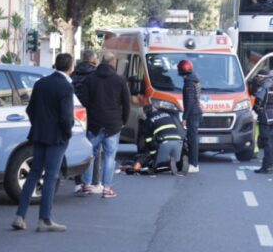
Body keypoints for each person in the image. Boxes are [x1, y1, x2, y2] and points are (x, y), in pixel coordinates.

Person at [12, 53, 75, 232]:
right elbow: (66, 117)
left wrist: (39, 126)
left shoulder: (41, 83)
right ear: (71, 67)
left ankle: (20, 216)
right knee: (50, 177)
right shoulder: (66, 86)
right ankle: (45, 219)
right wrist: (67, 132)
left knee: (34, 174)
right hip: (57, 137)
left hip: (39, 135)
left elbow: (30, 109)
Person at [81, 51, 130, 198]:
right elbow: (126, 104)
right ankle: (107, 188)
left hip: (94, 123)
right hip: (113, 124)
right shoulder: (120, 80)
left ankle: (87, 184)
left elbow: (84, 101)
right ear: (113, 63)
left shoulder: (90, 79)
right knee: (109, 156)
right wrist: (124, 121)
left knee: (90, 154)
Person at [138, 103, 184, 174]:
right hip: (178, 140)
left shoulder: (148, 121)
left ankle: (166, 164)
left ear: (146, 113)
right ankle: (179, 163)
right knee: (175, 158)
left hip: (165, 142)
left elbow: (149, 140)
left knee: (155, 166)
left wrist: (152, 154)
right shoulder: (166, 114)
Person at [254, 69, 273, 174]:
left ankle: (266, 167)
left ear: (263, 77)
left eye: (258, 77)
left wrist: (257, 109)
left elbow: (258, 101)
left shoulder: (264, 87)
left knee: (267, 143)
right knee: (272, 142)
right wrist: (271, 107)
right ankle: (270, 165)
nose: (257, 79)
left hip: (264, 117)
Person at [180, 59, 202, 173]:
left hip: (192, 113)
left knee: (192, 139)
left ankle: (193, 164)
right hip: (196, 111)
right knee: (193, 138)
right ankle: (194, 163)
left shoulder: (189, 82)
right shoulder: (195, 79)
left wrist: (184, 117)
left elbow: (189, 101)